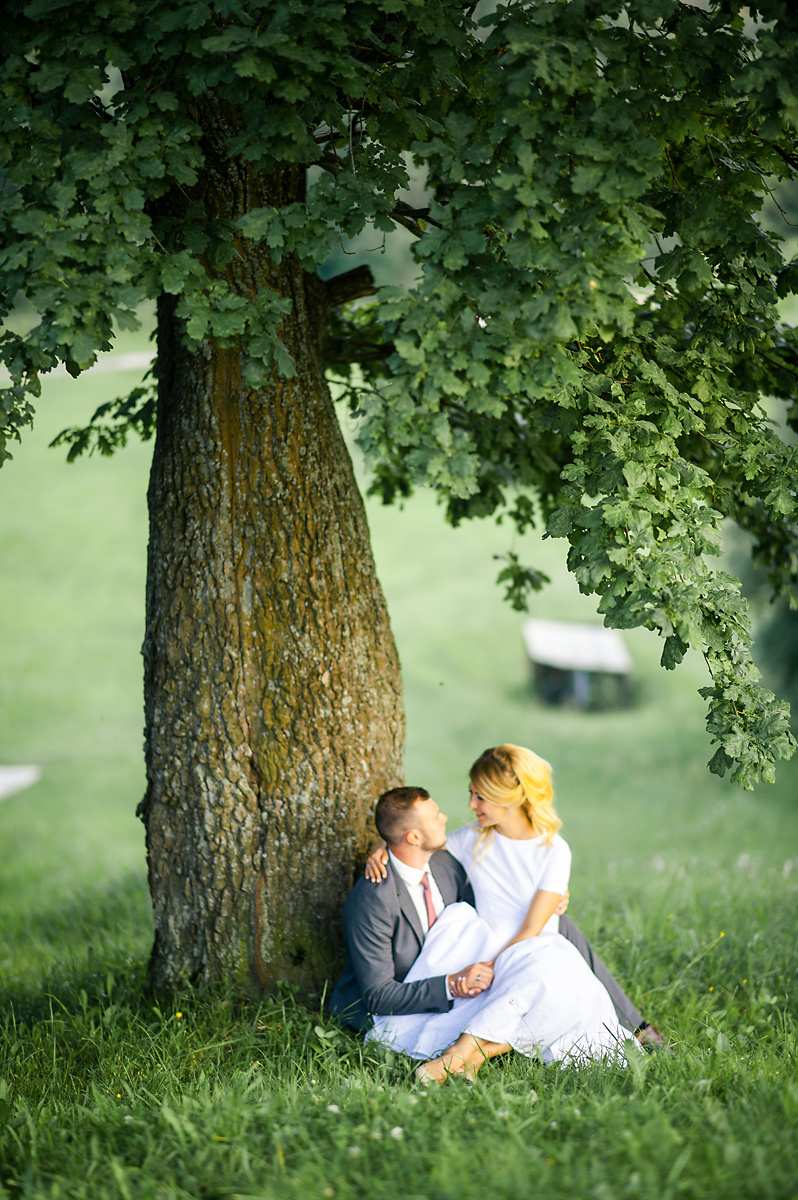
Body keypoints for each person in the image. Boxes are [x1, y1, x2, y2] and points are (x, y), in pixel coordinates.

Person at [330, 750, 662, 1078]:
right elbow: (410, 845)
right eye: (471, 794)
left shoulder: (554, 850)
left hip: (526, 943)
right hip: (486, 944)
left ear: (508, 800)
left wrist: (496, 962)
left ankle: (464, 1056)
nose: (471, 804)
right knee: (558, 966)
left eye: (480, 796)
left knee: (560, 947)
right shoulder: (471, 840)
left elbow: (534, 926)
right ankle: (469, 1055)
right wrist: (382, 849)